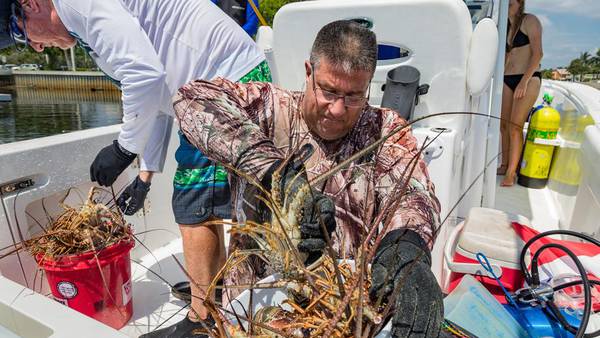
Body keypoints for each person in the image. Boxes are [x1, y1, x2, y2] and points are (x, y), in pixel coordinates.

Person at [0, 0, 270, 336]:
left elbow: (143, 75)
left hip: (225, 82)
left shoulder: (81, 4)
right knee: (201, 203)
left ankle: (202, 322)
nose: (37, 47)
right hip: (205, 85)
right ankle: (212, 295)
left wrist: (123, 148)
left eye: (21, 35)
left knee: (193, 204)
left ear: (31, 4)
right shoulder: (83, 25)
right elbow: (157, 98)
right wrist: (145, 176)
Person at [174, 20, 444, 337]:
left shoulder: (385, 130)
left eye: (354, 95)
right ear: (308, 72)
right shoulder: (269, 108)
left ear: (369, 85)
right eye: (328, 91)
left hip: (345, 313)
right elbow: (192, 99)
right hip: (254, 310)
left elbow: (414, 196)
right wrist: (276, 172)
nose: (338, 109)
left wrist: (407, 247)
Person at [499, 0, 543, 187]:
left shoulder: (529, 20)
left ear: (520, 3)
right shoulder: (504, 25)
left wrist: (524, 81)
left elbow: (538, 53)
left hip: (528, 78)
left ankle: (511, 173)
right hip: (507, 78)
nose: (508, 2)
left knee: (515, 127)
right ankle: (504, 164)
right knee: (503, 126)